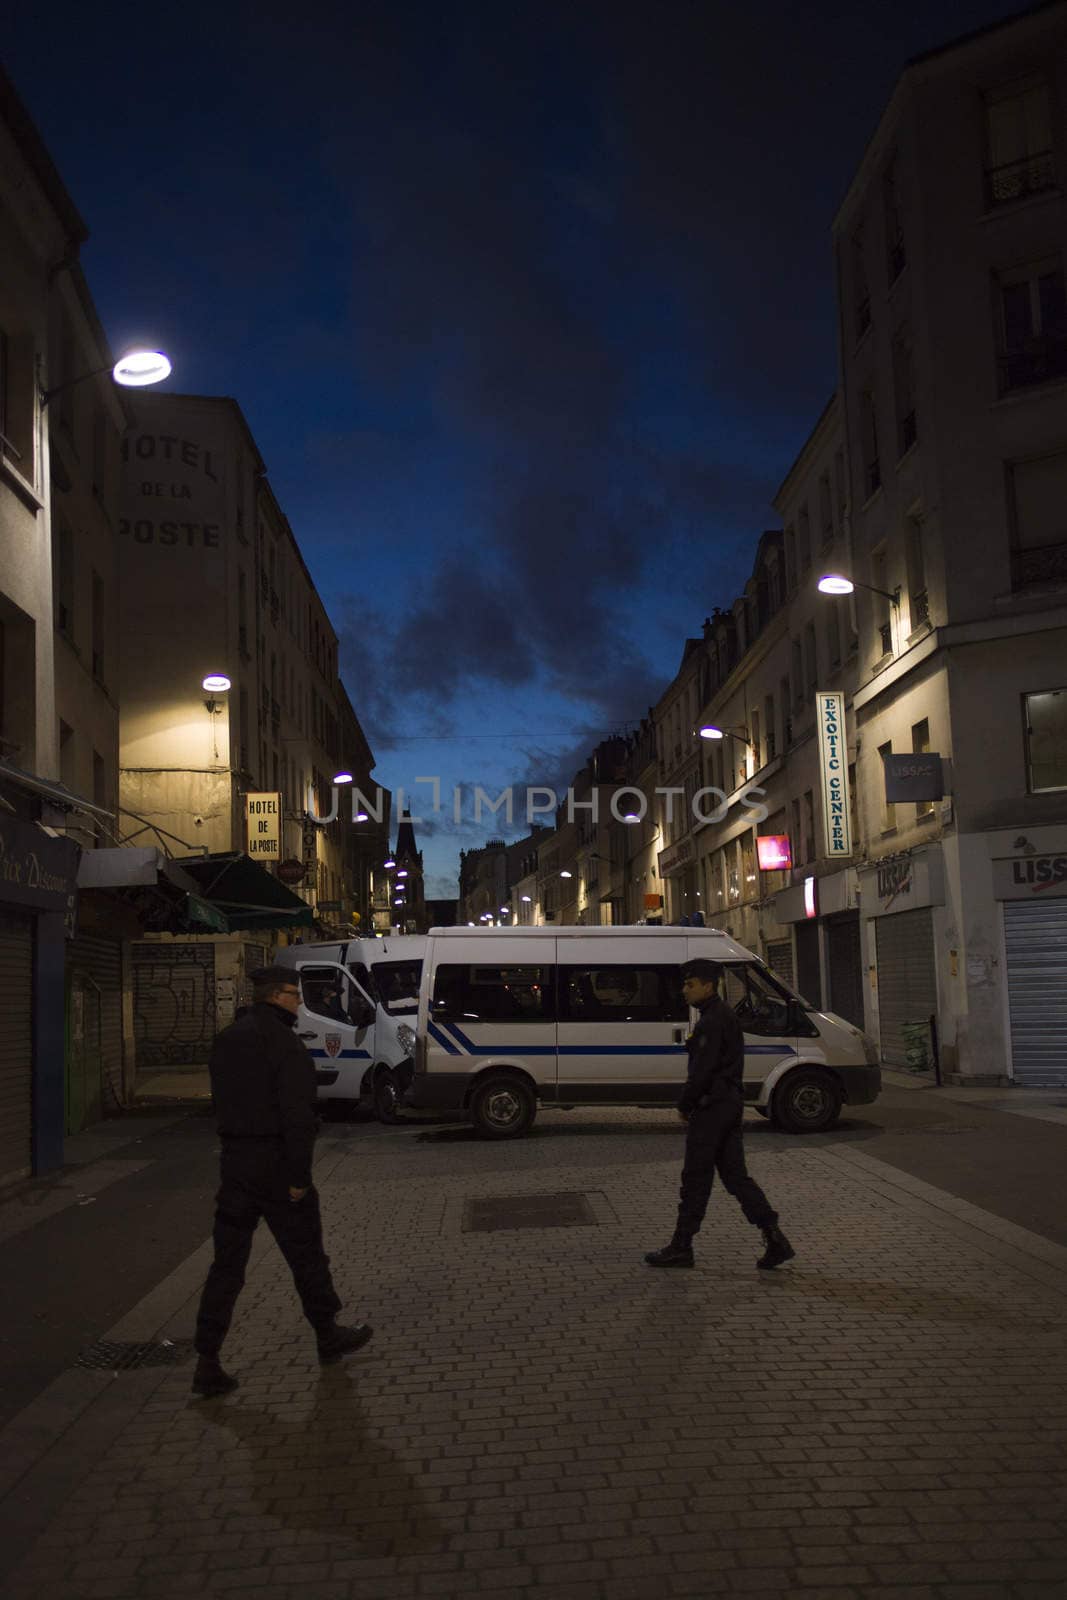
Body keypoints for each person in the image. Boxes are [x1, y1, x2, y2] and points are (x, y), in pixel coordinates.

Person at [191, 965, 373, 1397]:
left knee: (227, 1265)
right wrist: (299, 1176)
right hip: (275, 1165)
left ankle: (207, 1359)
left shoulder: (227, 1040)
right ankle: (327, 1332)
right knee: (306, 1254)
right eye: (295, 994)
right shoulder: (284, 1044)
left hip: (236, 1164)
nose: (299, 1002)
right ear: (277, 996)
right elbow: (297, 1116)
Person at [645, 958, 795, 1271]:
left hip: (711, 1109)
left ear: (708, 985)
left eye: (690, 984)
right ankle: (775, 1237)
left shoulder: (711, 1021)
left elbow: (702, 1072)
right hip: (728, 1106)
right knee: (736, 1177)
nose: (685, 990)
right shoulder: (723, 1016)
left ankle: (681, 1246)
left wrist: (685, 1105)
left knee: (695, 1179)